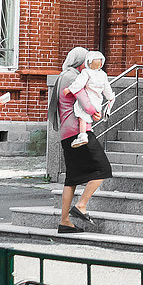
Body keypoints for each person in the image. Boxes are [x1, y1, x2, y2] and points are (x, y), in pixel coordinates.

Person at [49, 47, 112, 232]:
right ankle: (81, 205)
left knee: (72, 178)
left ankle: (65, 221)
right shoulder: (73, 77)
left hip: (66, 134)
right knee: (103, 168)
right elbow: (84, 100)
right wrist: (95, 112)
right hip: (79, 132)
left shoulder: (63, 76)